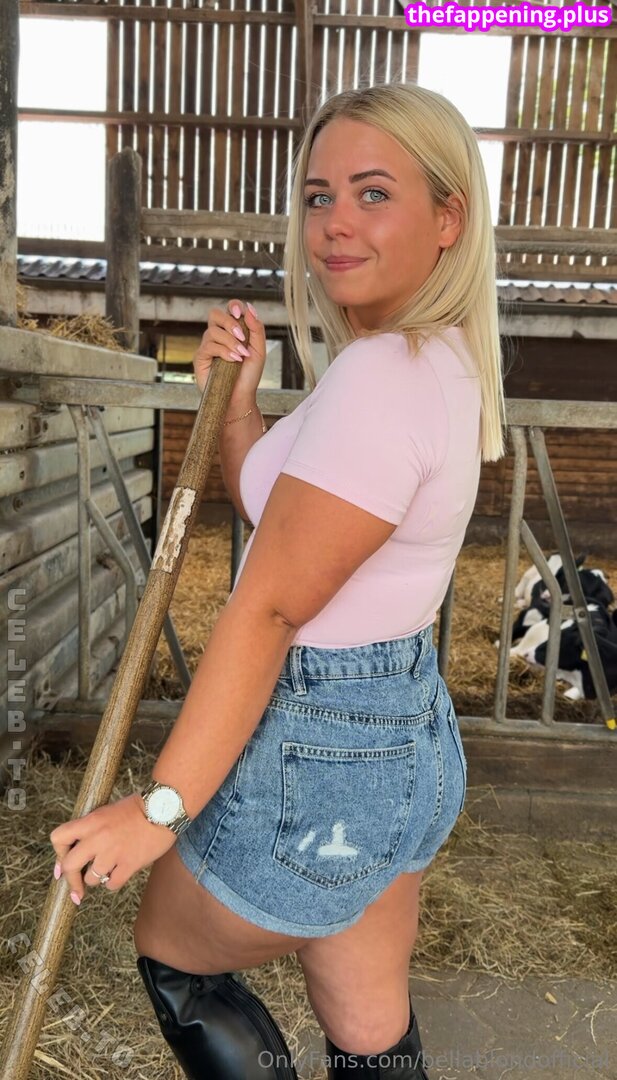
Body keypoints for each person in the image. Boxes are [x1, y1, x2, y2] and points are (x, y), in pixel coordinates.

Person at [49, 82, 507, 1079]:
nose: (334, 222)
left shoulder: (381, 378)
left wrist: (160, 808)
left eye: (372, 193)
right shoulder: (420, 361)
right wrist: (240, 403)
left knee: (177, 957)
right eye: (316, 196)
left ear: (447, 218)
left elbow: (267, 605)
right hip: (397, 742)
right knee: (364, 1016)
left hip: (324, 747)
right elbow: (284, 522)